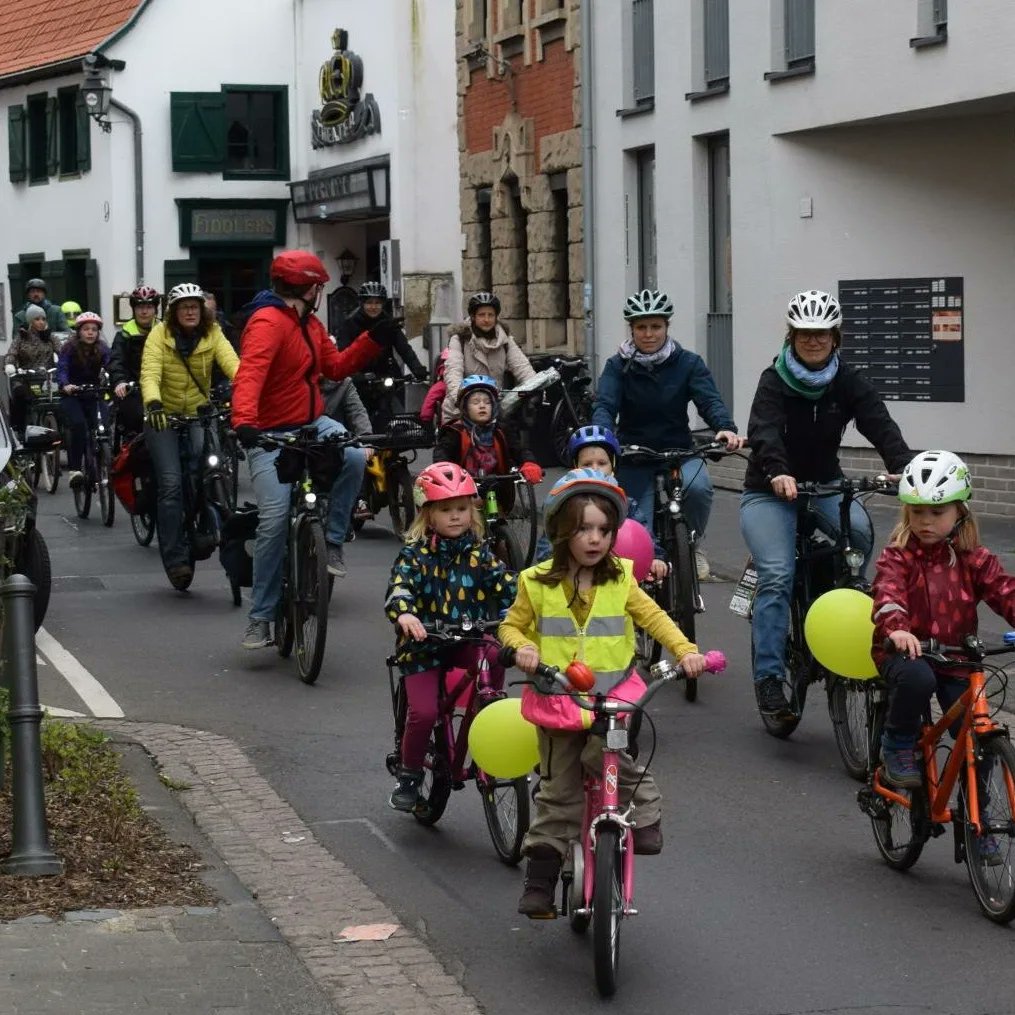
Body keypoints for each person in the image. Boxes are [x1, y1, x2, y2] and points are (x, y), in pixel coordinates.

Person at [498, 469, 706, 917]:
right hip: (558, 699)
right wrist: (523, 647)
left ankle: (646, 813)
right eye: (583, 529)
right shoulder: (535, 581)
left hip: (612, 700)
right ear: (561, 531)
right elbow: (510, 627)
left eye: (604, 530)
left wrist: (687, 651)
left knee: (612, 761)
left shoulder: (621, 579)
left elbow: (655, 619)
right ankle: (540, 880)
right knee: (559, 793)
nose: (595, 539)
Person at [740, 289, 912, 716]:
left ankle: (827, 600)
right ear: (792, 336)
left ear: (835, 336)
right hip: (769, 490)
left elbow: (878, 421)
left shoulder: (846, 379)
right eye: (804, 334)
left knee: (856, 536)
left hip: (825, 484)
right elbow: (764, 430)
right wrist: (778, 471)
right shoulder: (773, 380)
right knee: (778, 574)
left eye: (821, 333)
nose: (813, 341)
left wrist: (905, 465)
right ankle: (769, 677)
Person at [231, 251, 398, 650]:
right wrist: (244, 423)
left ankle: (334, 540)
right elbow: (250, 374)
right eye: (318, 286)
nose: (321, 292)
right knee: (272, 520)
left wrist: (373, 340)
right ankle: (261, 617)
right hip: (270, 433)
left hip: (312, 423)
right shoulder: (268, 323)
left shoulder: (309, 322)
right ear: (308, 288)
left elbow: (335, 367)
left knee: (355, 455)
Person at [872, 451, 1015, 794]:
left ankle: (979, 833)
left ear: (960, 512)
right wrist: (898, 627)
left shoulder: (974, 559)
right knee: (918, 678)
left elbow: (1005, 591)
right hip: (906, 653)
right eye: (917, 512)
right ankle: (897, 743)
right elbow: (887, 593)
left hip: (956, 659)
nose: (926, 521)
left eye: (938, 512)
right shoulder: (898, 555)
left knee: (978, 735)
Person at [384, 462, 517, 811]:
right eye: (445, 510)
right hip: (423, 646)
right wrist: (407, 614)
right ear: (428, 515)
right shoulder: (414, 556)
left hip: (467, 639)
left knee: (494, 651)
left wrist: (523, 610)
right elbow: (399, 590)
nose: (455, 517)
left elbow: (508, 591)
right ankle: (409, 774)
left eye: (461, 509)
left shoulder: (480, 554)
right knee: (424, 713)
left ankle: (487, 704)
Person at [592, 288, 743, 581]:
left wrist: (724, 427)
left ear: (666, 327)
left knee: (699, 489)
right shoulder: (617, 366)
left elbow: (709, 401)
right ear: (632, 329)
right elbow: (605, 405)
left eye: (656, 326)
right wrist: (601, 436)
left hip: (678, 450)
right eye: (641, 327)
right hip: (634, 453)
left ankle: (693, 545)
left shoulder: (688, 363)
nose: (649, 334)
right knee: (638, 522)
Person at [141, 283, 239, 591]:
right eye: (184, 306)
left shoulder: (213, 333)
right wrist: (153, 402)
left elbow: (234, 364)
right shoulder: (159, 335)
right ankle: (175, 559)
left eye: (195, 305)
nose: (190, 310)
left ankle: (205, 522)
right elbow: (150, 372)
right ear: (172, 312)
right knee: (171, 484)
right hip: (163, 416)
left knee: (210, 469)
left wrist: (246, 391)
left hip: (199, 412)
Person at [534, 425, 667, 579]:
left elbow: (645, 537)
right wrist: (554, 563)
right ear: (575, 468)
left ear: (613, 466)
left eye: (602, 463)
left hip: (619, 575)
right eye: (587, 464)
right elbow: (548, 544)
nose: (595, 469)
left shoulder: (626, 505)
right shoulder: (566, 505)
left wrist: (656, 557)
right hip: (574, 575)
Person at [432, 374, 543, 486]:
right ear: (464, 407)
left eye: (487, 402)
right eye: (475, 402)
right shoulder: (454, 432)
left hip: (499, 487)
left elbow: (519, 450)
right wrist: (445, 470)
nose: (482, 406)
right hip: (465, 491)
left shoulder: (501, 430)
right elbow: (442, 454)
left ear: (494, 406)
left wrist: (529, 462)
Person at [441, 292, 536, 422]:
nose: (486, 319)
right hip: (460, 412)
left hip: (493, 410)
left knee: (507, 439)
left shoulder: (505, 340)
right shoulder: (460, 339)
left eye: (490, 315)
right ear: (473, 317)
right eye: (481, 315)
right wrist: (460, 399)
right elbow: (453, 371)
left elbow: (522, 366)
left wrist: (535, 386)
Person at [56, 311, 111, 489]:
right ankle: (75, 470)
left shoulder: (103, 348)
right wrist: (66, 385)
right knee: (79, 426)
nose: (90, 333)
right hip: (72, 395)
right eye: (86, 329)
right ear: (79, 331)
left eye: (94, 329)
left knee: (104, 426)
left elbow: (112, 365)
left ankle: (103, 460)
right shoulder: (69, 348)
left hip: (94, 394)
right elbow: (62, 368)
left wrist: (115, 381)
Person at [340, 280, 426, 386]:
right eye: (369, 303)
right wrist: (354, 375)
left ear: (383, 304)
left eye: (377, 303)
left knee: (396, 398)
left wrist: (417, 368)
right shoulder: (350, 323)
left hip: (386, 372)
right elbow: (344, 352)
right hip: (360, 375)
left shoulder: (388, 322)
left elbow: (405, 348)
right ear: (362, 304)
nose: (373, 307)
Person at [109, 284, 160, 436]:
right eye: (140, 307)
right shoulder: (124, 335)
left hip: (161, 386)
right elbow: (117, 361)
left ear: (155, 309)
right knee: (134, 417)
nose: (144, 311)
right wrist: (120, 381)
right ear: (133, 309)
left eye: (149, 307)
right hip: (133, 388)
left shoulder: (165, 331)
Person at [5, 305, 60, 438]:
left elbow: (63, 351)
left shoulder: (50, 336)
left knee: (62, 398)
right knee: (19, 394)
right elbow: (11, 354)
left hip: (48, 377)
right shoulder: (21, 336)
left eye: (43, 319)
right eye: (37, 319)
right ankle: (19, 430)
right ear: (30, 321)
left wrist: (67, 362)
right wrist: (9, 365)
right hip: (26, 377)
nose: (41, 322)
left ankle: (64, 431)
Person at [419, 347, 450, 427]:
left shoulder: (442, 384)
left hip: (448, 420)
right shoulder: (443, 384)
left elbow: (430, 398)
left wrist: (426, 418)